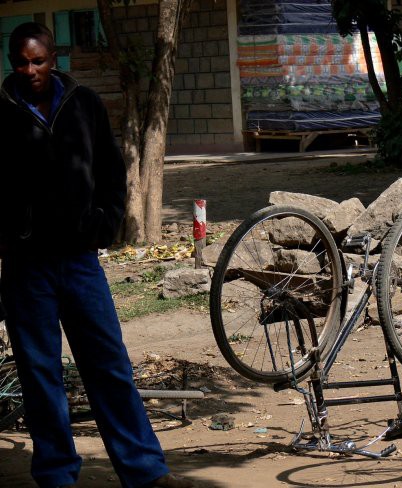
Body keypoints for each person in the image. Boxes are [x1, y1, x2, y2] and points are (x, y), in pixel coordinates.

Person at [0, 22, 193, 488]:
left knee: (108, 365)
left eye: (39, 60)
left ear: (53, 58)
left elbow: (110, 167)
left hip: (80, 261)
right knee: (40, 375)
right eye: (22, 62)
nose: (31, 70)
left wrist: (103, 223)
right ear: (12, 63)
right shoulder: (0, 113)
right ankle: (56, 475)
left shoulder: (83, 104)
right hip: (26, 267)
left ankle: (145, 471)